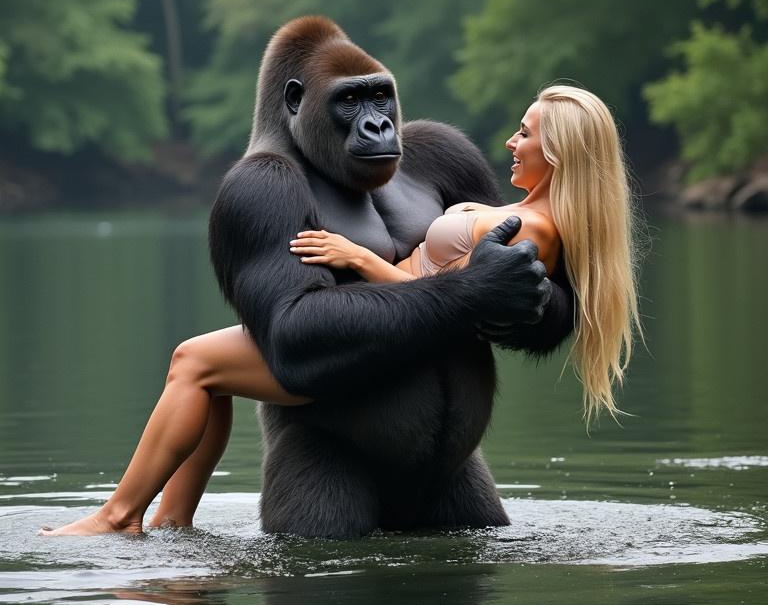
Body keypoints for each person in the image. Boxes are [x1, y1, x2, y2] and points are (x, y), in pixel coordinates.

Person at [41, 84, 641, 536]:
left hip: (452, 461)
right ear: (297, 101)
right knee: (197, 363)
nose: (377, 123)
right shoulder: (267, 186)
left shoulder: (443, 160)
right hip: (329, 451)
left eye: (382, 98)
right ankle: (164, 522)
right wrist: (444, 287)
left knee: (194, 362)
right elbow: (297, 343)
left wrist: (488, 298)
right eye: (352, 104)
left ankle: (133, 516)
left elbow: (534, 302)